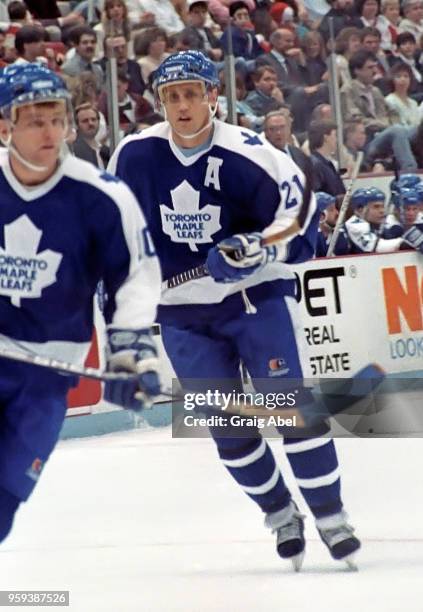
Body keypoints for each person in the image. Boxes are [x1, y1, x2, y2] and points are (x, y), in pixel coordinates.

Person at [108, 49, 362, 570]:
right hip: (181, 313)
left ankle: (332, 517)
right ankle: (280, 514)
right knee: (227, 425)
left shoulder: (253, 153)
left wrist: (258, 248)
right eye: (171, 96)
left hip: (256, 299)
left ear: (212, 97)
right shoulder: (134, 155)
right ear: (160, 101)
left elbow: (302, 226)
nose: (182, 106)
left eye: (191, 94)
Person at [0, 63, 162, 544]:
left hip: (49, 375)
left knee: (4, 503)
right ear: (5, 125)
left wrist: (129, 352)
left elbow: (132, 276)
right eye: (34, 120)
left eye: (57, 118)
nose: (50, 132)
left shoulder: (100, 195)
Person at [315, 191, 350, 256]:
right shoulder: (310, 239)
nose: (337, 213)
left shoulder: (341, 233)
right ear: (321, 216)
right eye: (331, 210)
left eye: (336, 208)